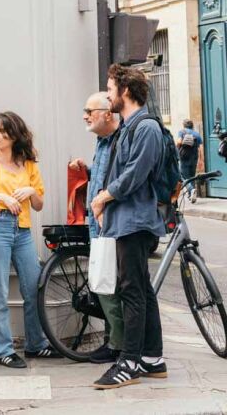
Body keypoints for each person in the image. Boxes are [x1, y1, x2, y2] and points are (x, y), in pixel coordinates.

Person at [90, 65, 168, 389]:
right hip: (125, 220)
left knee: (131, 291)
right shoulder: (128, 126)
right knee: (142, 290)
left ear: (125, 91)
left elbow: (135, 174)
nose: (108, 94)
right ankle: (153, 357)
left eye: (110, 88)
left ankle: (130, 362)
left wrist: (104, 197)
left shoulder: (146, 127)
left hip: (135, 222)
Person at [0, 111, 58, 368]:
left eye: (1, 131)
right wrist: (1, 197)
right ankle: (4, 350)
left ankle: (36, 345)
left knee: (34, 287)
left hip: (23, 230)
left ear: (14, 134)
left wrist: (30, 191)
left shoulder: (28, 164)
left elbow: (38, 204)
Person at [68, 92, 125, 364]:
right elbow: (104, 176)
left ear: (107, 113)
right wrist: (87, 170)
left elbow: (124, 180)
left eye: (89, 110)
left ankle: (118, 344)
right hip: (98, 225)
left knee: (111, 285)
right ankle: (114, 340)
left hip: (112, 224)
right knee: (105, 283)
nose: (84, 115)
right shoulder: (102, 142)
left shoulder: (123, 139)